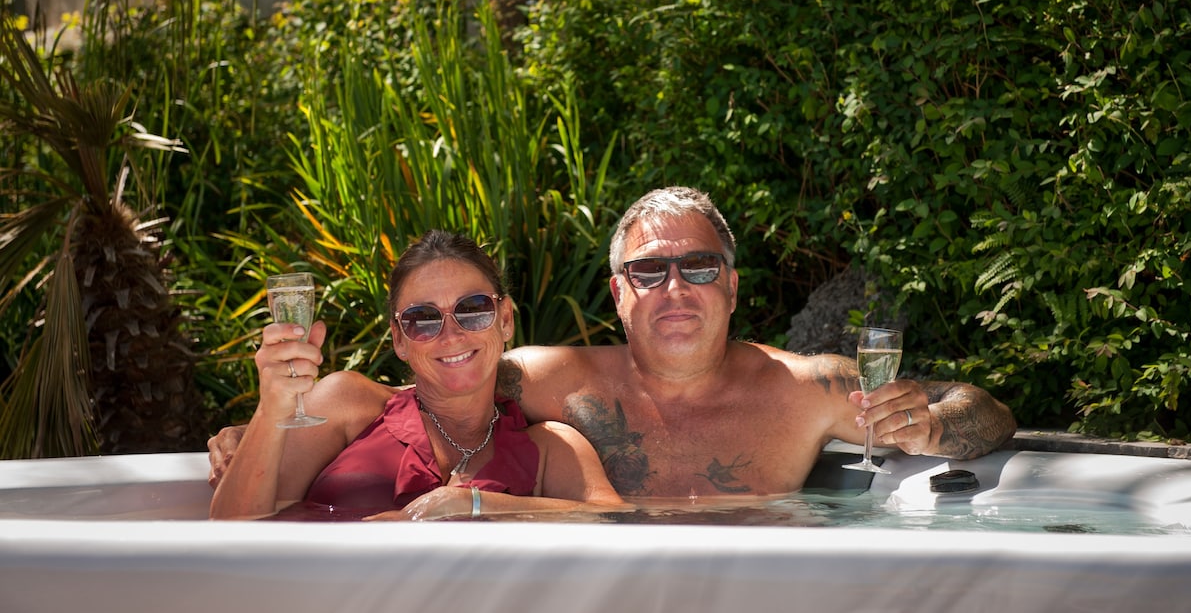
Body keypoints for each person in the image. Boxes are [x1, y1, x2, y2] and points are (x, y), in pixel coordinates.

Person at [211, 187, 1016, 500]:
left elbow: (981, 408)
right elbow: (426, 393)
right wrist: (268, 433)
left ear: (732, 286)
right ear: (617, 294)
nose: (674, 289)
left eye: (699, 268)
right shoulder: (547, 379)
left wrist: (941, 427)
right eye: (649, 271)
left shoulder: (803, 389)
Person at [209, 230, 624, 520]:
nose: (451, 334)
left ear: (506, 319)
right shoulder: (347, 404)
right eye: (423, 319)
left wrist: (473, 505)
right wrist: (271, 408)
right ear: (400, 339)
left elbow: (623, 524)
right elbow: (236, 529)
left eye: (473, 308)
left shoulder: (551, 447)